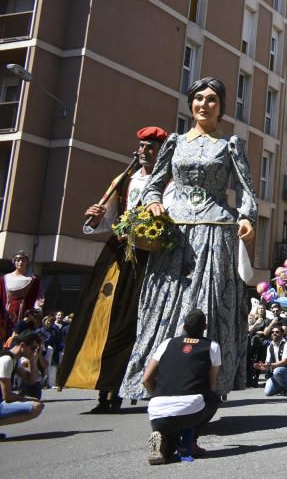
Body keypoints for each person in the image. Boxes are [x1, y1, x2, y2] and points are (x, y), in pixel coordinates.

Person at [121, 78, 257, 400]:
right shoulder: (174, 142)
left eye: (211, 99)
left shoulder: (230, 145)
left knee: (208, 304)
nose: (204, 104)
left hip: (215, 230)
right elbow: (154, 184)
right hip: (175, 233)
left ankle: (207, 384)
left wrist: (247, 218)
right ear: (190, 103)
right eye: (198, 98)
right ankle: (158, 379)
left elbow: (247, 193)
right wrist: (153, 201)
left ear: (221, 106)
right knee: (164, 303)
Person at [58, 127, 172, 412]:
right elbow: (107, 219)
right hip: (118, 254)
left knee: (132, 322)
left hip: (149, 258)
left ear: (162, 152)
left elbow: (169, 224)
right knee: (98, 316)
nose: (144, 151)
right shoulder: (123, 181)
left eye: (151, 147)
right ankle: (101, 388)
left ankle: (123, 386)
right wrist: (95, 218)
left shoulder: (170, 184)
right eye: (142, 145)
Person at [142, 309, 220, 464]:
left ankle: (161, 437)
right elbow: (210, 385)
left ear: (183, 327)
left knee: (170, 435)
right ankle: (190, 441)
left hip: (157, 410)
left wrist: (157, 395)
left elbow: (146, 379)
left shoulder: (167, 343)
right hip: (190, 409)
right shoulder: (212, 346)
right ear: (205, 327)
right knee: (213, 399)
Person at [0, 331, 44, 437]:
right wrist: (28, 399)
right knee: (36, 406)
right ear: (23, 345)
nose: (34, 351)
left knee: (37, 404)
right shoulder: (6, 360)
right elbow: (7, 396)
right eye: (33, 348)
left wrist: (32, 360)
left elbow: (31, 380)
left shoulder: (14, 360)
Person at [1, 252, 39, 342]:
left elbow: (34, 299)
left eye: (23, 260)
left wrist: (30, 316)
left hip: (22, 316)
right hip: (5, 316)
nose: (20, 262)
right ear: (14, 262)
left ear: (27, 262)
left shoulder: (32, 280)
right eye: (18, 260)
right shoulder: (4, 278)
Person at [256, 326, 287, 396]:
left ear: (282, 333)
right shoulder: (270, 346)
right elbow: (267, 363)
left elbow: (284, 362)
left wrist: (269, 365)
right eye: (272, 332)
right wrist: (263, 366)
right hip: (276, 373)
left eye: (277, 332)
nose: (274, 334)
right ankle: (282, 387)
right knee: (268, 392)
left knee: (278, 371)